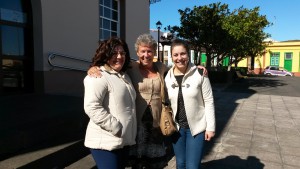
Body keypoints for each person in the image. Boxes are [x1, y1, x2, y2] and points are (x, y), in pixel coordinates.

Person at [88, 34, 208, 168]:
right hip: (136, 124)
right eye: (142, 51)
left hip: (157, 123)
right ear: (137, 52)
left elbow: (180, 69)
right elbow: (110, 68)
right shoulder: (130, 67)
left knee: (155, 163)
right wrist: (94, 68)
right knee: (137, 162)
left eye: (149, 51)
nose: (146, 55)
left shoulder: (161, 68)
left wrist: (195, 68)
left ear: (154, 52)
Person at [83, 37, 137, 169]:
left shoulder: (124, 75)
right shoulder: (98, 76)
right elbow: (92, 107)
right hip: (106, 142)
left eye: (122, 53)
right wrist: (116, 127)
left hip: (123, 141)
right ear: (105, 55)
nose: (119, 57)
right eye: (114, 53)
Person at [164, 39, 216, 169]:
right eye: (175, 55)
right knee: (180, 164)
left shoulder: (199, 73)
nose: (179, 58)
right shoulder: (167, 76)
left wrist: (211, 127)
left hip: (196, 128)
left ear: (188, 54)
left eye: (183, 54)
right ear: (171, 56)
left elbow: (209, 101)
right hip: (177, 128)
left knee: (192, 166)